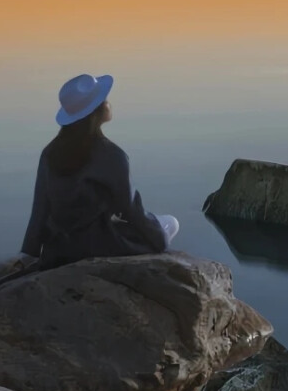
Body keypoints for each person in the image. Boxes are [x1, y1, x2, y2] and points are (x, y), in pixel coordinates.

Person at [18, 73, 179, 271]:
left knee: (160, 223)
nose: (108, 103)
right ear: (95, 112)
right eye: (104, 100)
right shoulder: (112, 155)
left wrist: (28, 254)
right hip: (101, 245)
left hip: (60, 247)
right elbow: (129, 209)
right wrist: (158, 239)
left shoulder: (50, 153)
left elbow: (40, 210)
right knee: (170, 223)